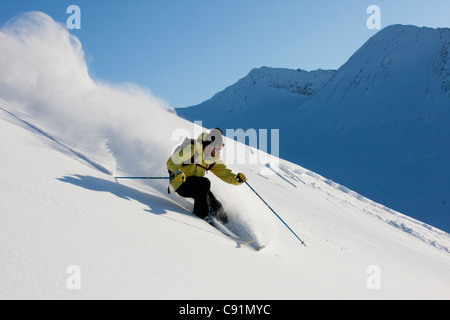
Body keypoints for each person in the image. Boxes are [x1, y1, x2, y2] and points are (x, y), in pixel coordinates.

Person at [167, 128, 247, 224]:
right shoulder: (192, 150)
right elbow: (172, 161)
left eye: (220, 148)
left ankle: (226, 224)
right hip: (181, 183)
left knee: (216, 206)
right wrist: (178, 172)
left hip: (196, 185)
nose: (217, 151)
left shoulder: (212, 159)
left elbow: (224, 173)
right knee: (204, 183)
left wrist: (236, 179)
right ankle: (201, 215)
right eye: (216, 148)